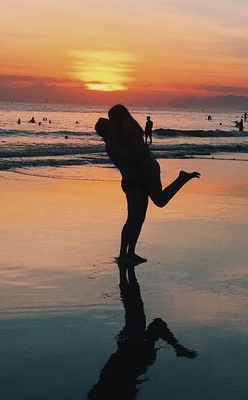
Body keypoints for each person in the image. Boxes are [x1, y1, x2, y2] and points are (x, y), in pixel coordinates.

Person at [96, 105, 200, 264]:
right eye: (109, 123)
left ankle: (129, 253)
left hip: (139, 179)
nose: (112, 124)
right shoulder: (113, 145)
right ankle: (125, 254)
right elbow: (130, 158)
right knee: (135, 218)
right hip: (133, 182)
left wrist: (141, 154)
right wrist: (141, 154)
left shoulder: (122, 137)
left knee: (139, 217)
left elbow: (133, 154)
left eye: (112, 120)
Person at [88, 264, 197, 398]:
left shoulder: (110, 377)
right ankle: (125, 271)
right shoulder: (114, 377)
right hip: (135, 351)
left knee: (135, 309)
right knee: (136, 310)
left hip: (133, 350)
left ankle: (125, 271)